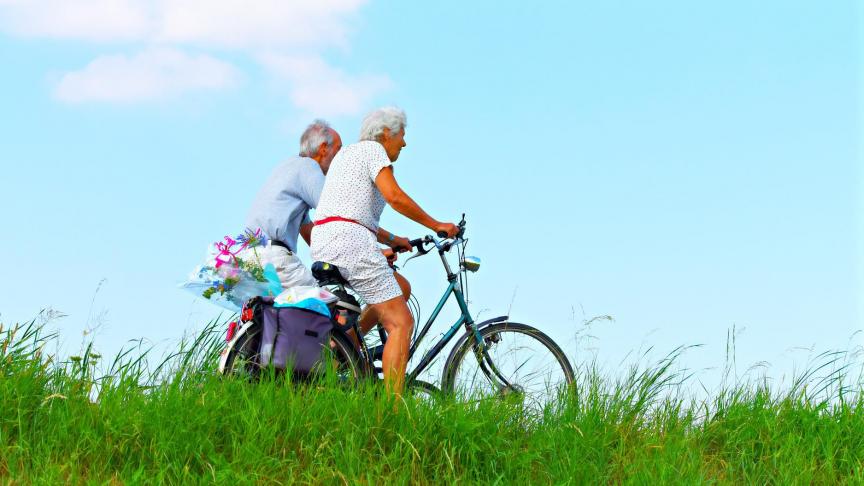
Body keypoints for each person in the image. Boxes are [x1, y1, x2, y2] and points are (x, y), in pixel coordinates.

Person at [311, 107, 458, 395]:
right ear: (387, 133)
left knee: (400, 287)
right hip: (350, 241)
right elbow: (395, 196)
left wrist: (392, 240)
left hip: (327, 239)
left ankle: (346, 348)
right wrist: (436, 224)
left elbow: (349, 211)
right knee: (401, 322)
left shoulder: (347, 155)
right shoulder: (374, 150)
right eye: (402, 135)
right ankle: (391, 412)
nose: (404, 143)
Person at [242, 120, 342, 290]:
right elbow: (337, 212)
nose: (341, 157)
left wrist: (339, 257)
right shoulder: (308, 166)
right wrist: (369, 254)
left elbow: (309, 231)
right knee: (327, 306)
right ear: (324, 148)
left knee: (274, 314)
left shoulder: (287, 167)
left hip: (251, 258)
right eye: (339, 149)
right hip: (275, 259)